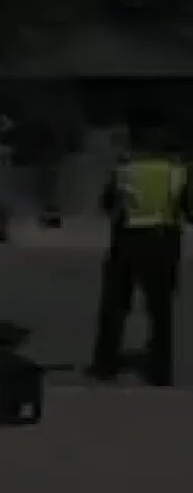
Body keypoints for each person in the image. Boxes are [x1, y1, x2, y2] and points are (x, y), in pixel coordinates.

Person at [88, 116, 188, 386]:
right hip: (164, 241)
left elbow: (108, 204)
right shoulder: (177, 171)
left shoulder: (125, 169)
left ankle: (104, 363)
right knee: (160, 311)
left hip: (128, 241)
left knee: (115, 305)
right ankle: (160, 370)